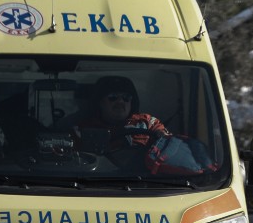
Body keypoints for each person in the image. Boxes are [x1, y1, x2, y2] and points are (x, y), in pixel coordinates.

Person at [71, 75, 209, 175]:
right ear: (100, 102)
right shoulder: (83, 129)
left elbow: (169, 144)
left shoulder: (147, 122)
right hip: (100, 182)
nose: (120, 102)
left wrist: (161, 137)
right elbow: (74, 162)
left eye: (126, 98)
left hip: (146, 181)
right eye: (113, 97)